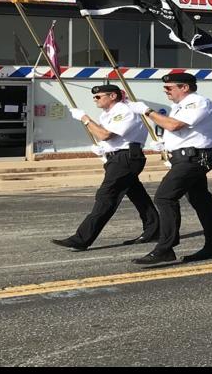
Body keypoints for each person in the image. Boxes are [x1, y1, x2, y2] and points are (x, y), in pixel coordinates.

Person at [131, 72, 212, 265]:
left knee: (164, 197)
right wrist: (165, 144)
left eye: (169, 88)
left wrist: (147, 112)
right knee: (200, 200)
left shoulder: (198, 102)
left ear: (184, 87)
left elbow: (175, 125)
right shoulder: (179, 106)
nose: (166, 91)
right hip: (186, 158)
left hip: (195, 158)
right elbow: (179, 132)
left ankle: (165, 247)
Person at [51, 84, 161, 251]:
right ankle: (153, 229)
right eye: (94, 97)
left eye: (98, 96)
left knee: (106, 195)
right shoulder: (106, 115)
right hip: (117, 158)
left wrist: (85, 119)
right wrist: (104, 148)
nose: (95, 99)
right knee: (137, 194)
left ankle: (82, 238)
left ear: (113, 96)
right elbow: (106, 138)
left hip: (127, 157)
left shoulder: (124, 111)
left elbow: (105, 134)